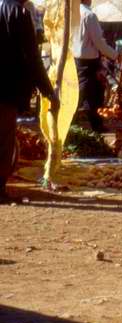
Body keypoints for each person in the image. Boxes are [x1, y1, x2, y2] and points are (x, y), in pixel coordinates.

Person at [0, 0, 59, 203]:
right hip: (6, 89)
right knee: (4, 142)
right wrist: (49, 92)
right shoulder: (19, 14)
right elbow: (32, 58)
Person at [73, 0, 118, 133]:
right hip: (88, 61)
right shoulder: (89, 15)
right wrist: (114, 55)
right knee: (93, 93)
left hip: (77, 58)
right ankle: (95, 124)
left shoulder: (74, 13)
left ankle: (91, 122)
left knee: (84, 92)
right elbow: (99, 42)